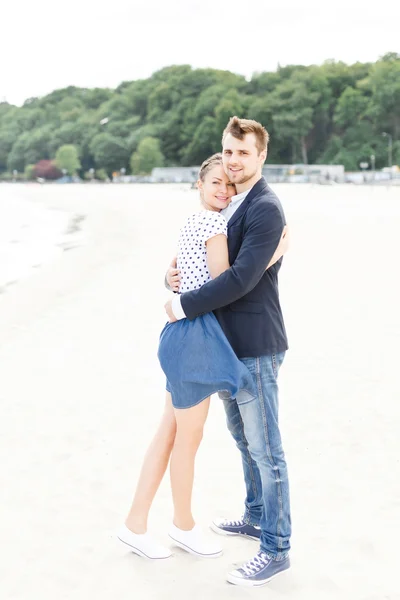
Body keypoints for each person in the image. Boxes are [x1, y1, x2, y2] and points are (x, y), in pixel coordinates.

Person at [117, 153, 287, 561]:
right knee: (187, 439)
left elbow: (186, 273)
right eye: (216, 183)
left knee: (169, 434)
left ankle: (135, 525)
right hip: (195, 337)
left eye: (227, 186)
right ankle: (182, 526)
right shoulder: (214, 223)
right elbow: (227, 281)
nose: (224, 191)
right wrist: (270, 256)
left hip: (182, 334)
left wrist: (169, 283)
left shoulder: (193, 220)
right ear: (199, 185)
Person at [164, 116, 291, 587]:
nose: (234, 161)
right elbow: (199, 262)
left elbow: (238, 280)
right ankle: (256, 516)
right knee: (243, 441)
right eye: (228, 152)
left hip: (256, 345)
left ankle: (276, 548)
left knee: (267, 450)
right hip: (225, 344)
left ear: (261, 156)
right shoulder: (232, 203)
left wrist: (180, 306)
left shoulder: (265, 209)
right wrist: (171, 280)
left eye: (243, 153)